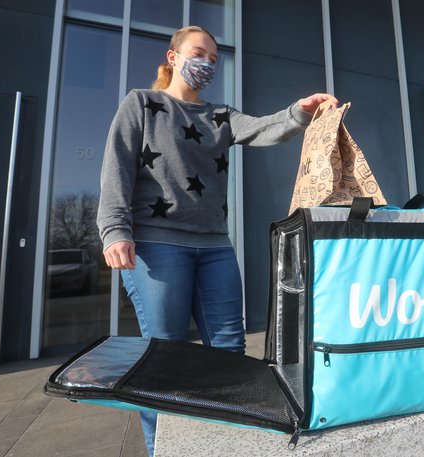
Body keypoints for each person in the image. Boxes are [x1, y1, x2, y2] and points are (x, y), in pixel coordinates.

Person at [96, 25, 337, 457]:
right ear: (173, 58)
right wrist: (115, 230)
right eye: (197, 52)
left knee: (230, 352)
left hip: (214, 248)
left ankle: (224, 441)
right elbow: (117, 167)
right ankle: (162, 448)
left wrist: (302, 110)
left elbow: (267, 129)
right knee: (163, 356)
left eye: (212, 57)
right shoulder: (142, 104)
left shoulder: (220, 116)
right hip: (156, 246)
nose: (206, 62)